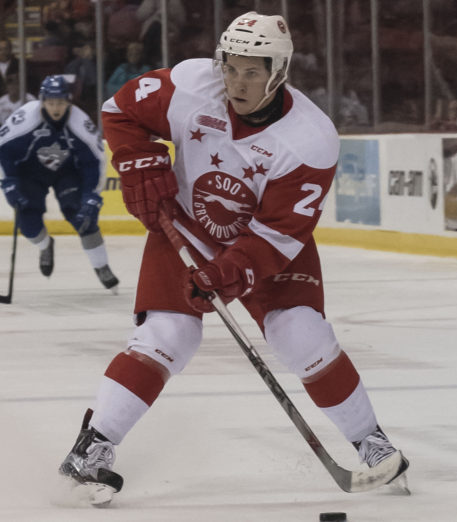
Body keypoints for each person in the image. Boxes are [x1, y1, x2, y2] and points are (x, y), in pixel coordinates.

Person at [58, 12, 408, 505]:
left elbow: (278, 233)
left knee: (300, 332)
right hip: (185, 227)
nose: (236, 83)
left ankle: (371, 442)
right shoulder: (190, 84)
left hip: (266, 241)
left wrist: (229, 271)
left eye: (251, 72)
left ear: (278, 73)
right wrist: (137, 159)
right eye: (230, 68)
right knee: (169, 334)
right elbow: (119, 110)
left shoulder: (310, 138)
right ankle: (91, 448)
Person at [0, 75, 119, 291]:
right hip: (30, 172)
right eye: (51, 102)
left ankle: (101, 266)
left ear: (68, 101)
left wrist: (91, 195)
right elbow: (3, 150)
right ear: (42, 101)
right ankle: (46, 245)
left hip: (68, 173)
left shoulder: (80, 123)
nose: (56, 108)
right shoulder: (25, 118)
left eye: (61, 102)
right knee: (28, 222)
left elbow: (95, 162)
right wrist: (9, 182)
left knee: (83, 217)